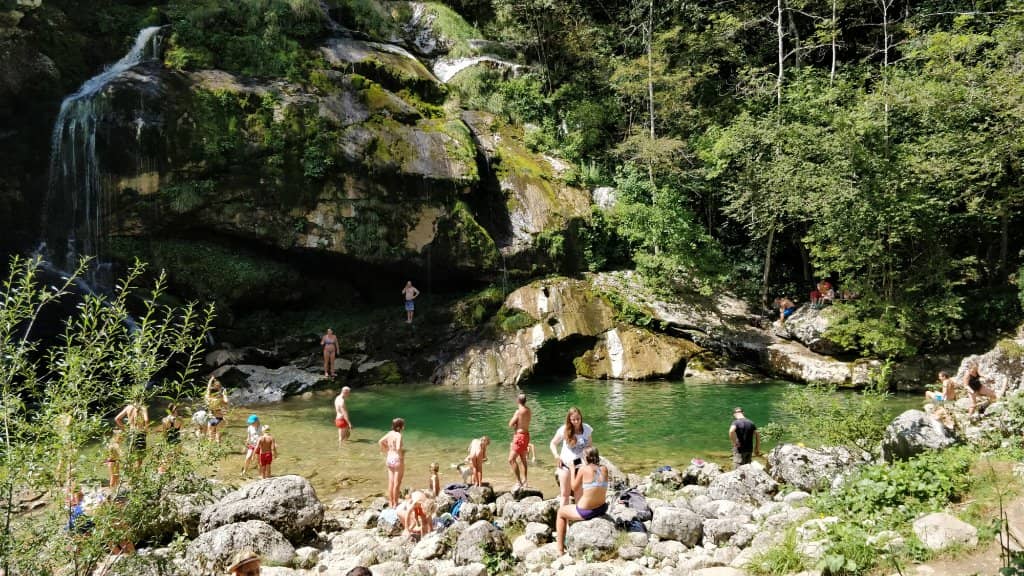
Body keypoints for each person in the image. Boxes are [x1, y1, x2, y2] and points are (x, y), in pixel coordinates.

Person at [555, 446, 609, 555]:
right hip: (602, 508)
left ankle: (560, 549)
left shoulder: (583, 469)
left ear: (586, 457)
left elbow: (574, 487)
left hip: (586, 511)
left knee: (561, 512)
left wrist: (572, 469)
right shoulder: (604, 469)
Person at [549, 407, 593, 506]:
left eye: (578, 419)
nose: (576, 422)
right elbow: (553, 443)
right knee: (565, 495)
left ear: (581, 417)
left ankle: (578, 518)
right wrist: (556, 456)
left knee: (579, 494)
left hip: (580, 466)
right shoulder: (564, 429)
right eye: (573, 419)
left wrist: (589, 461)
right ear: (569, 419)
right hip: (565, 465)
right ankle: (564, 520)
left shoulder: (587, 429)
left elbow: (589, 446)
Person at [507, 393, 532, 489]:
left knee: (511, 459)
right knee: (523, 459)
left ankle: (518, 482)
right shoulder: (528, 410)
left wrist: (516, 425)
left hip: (519, 437)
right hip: (526, 436)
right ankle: (525, 481)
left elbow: (510, 424)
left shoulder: (518, 411)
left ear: (518, 401)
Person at [379, 418, 405, 508]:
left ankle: (390, 503)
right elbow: (398, 448)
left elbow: (380, 441)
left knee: (391, 482)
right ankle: (395, 504)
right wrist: (401, 455)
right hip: (397, 458)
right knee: (397, 483)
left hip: (389, 457)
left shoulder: (390, 433)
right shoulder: (398, 435)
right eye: (403, 425)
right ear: (400, 427)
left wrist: (386, 449)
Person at [205, 376, 230, 443]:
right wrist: (225, 394)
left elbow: (208, 389)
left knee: (210, 438)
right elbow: (226, 402)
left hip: (211, 418)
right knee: (218, 438)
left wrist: (210, 381)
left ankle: (209, 452)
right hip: (219, 418)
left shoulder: (208, 399)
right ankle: (218, 451)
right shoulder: (220, 400)